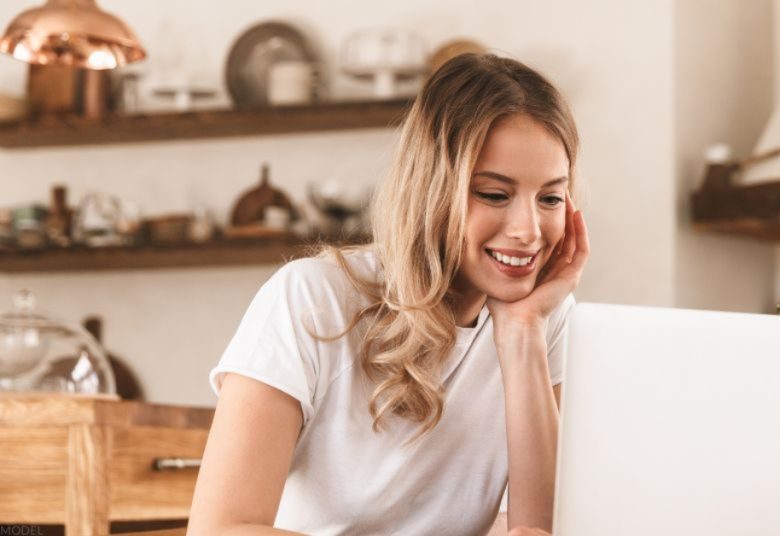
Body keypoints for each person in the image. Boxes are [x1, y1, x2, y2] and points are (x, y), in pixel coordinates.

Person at [186, 53, 589, 536]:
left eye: (550, 198)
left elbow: (543, 529)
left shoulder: (545, 317)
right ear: (432, 190)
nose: (529, 230)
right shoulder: (311, 300)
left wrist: (523, 333)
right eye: (495, 194)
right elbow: (219, 530)